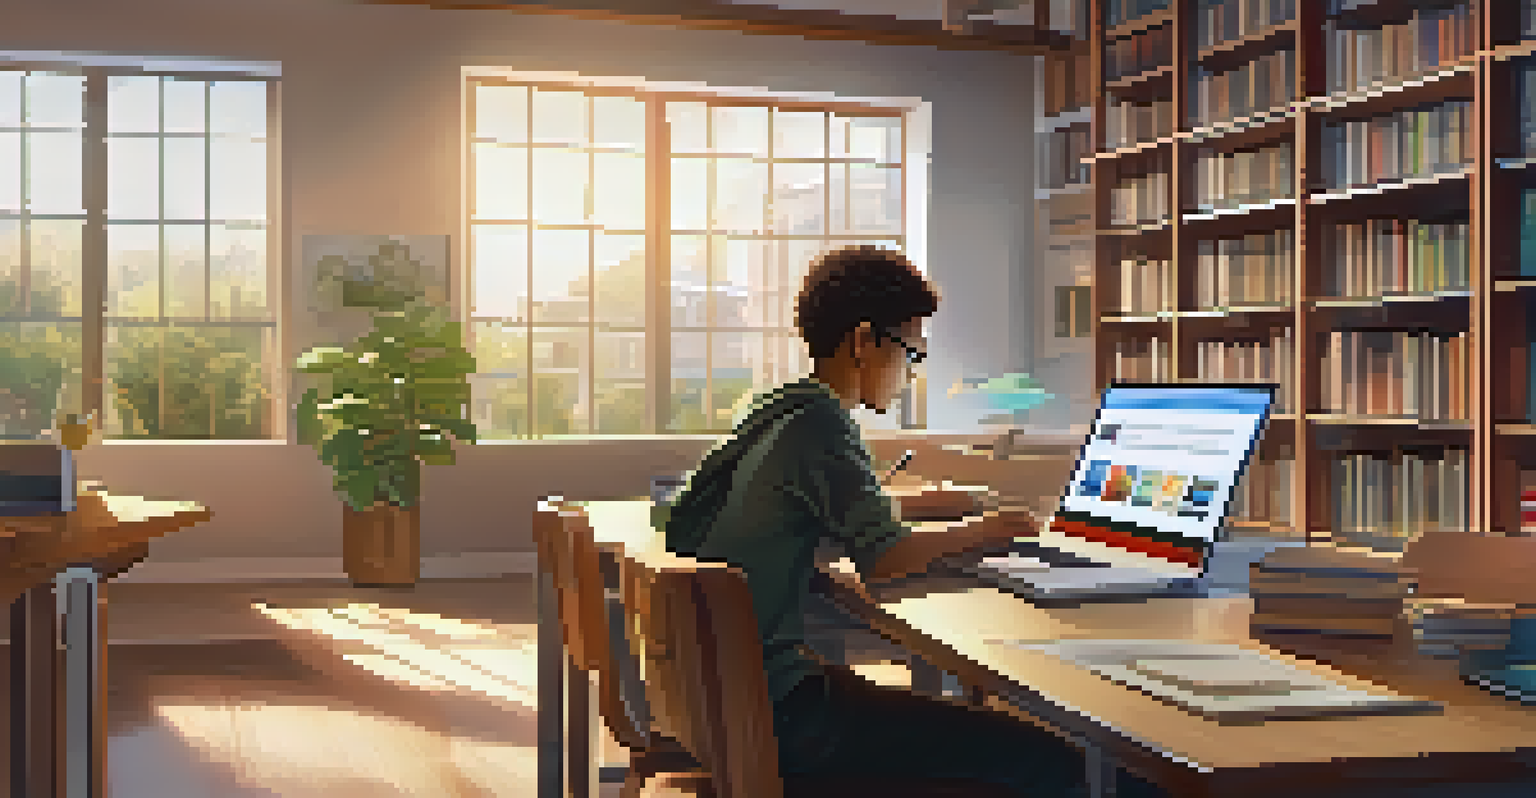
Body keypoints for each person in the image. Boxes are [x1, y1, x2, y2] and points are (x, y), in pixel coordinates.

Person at [661, 245, 1165, 797]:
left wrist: (921, 508)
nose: (910, 372)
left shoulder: (781, 411)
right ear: (863, 342)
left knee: (970, 726)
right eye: (910, 352)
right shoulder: (823, 427)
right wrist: (991, 529)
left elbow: (825, 508)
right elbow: (886, 561)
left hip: (731, 701)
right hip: (786, 717)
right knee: (1050, 757)